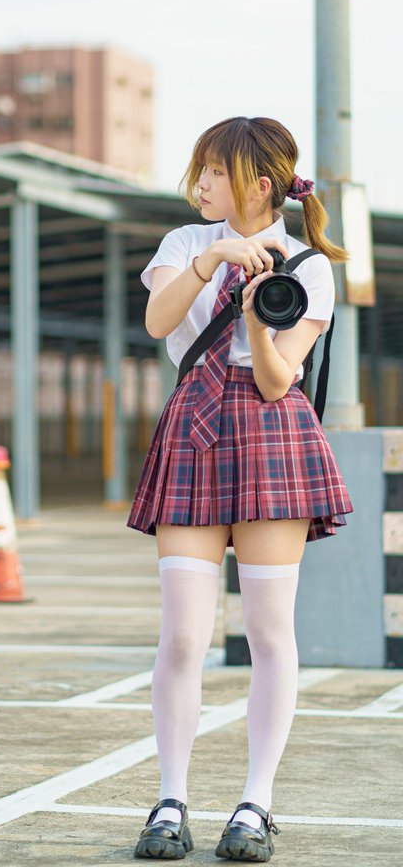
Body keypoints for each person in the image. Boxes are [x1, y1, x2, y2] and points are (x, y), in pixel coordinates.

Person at [127, 116, 353, 863]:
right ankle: (170, 800)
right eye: (198, 170)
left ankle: (255, 804)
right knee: (185, 633)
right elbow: (160, 322)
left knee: (267, 631)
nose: (199, 185)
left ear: (259, 185)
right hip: (194, 424)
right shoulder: (185, 244)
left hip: (269, 432)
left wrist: (259, 314)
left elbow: (276, 377)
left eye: (213, 173)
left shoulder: (309, 265)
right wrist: (214, 257)